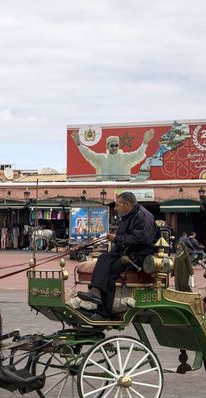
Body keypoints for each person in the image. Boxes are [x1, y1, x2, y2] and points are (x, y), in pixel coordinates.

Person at [77, 191, 158, 320]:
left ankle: (104, 312)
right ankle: (95, 291)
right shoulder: (129, 215)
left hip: (139, 256)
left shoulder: (142, 216)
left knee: (111, 271)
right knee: (103, 258)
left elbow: (141, 240)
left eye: (117, 205)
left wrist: (116, 238)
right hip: (126, 252)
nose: (115, 208)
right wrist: (114, 244)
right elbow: (124, 238)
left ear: (127, 205)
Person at [72, 129, 155, 180]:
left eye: (116, 145)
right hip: (105, 189)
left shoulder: (124, 157)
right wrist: (79, 144)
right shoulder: (101, 158)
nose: (114, 147)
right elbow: (89, 154)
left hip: (122, 189)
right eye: (112, 145)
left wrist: (145, 142)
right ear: (107, 146)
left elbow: (138, 154)